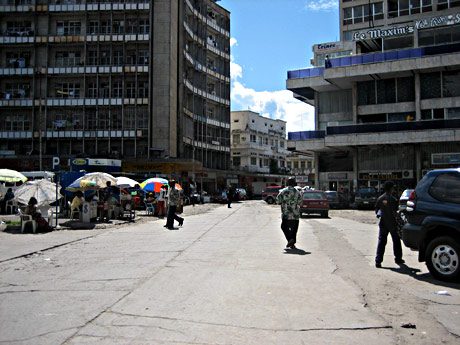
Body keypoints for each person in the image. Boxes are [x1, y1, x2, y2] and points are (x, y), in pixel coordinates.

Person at [375, 181, 404, 268]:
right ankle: (398, 258)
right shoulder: (393, 199)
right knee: (396, 241)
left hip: (383, 223)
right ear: (391, 188)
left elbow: (377, 210)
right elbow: (396, 212)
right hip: (392, 223)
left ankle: (378, 261)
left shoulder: (380, 198)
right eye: (393, 188)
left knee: (381, 242)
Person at [276, 177, 303, 249]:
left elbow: (278, 201)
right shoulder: (297, 192)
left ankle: (290, 240)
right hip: (295, 214)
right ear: (294, 184)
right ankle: (292, 242)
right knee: (294, 230)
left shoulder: (283, 191)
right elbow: (300, 203)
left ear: (287, 183)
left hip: (286, 214)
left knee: (284, 227)